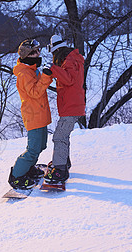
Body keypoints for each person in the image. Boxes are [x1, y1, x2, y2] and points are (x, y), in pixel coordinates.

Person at [8, 39, 53, 190]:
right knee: (33, 148)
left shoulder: (32, 70)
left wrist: (45, 74)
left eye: (38, 50)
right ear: (27, 55)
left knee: (41, 145)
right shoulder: (24, 73)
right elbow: (34, 92)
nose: (38, 53)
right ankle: (17, 176)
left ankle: (29, 168)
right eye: (34, 52)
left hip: (40, 113)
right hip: (33, 115)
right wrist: (46, 77)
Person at [42, 35, 85, 184]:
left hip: (71, 107)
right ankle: (63, 163)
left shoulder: (69, 61)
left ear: (57, 51)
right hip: (72, 105)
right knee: (63, 136)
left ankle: (60, 170)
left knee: (59, 137)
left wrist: (53, 68)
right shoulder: (72, 59)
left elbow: (69, 79)